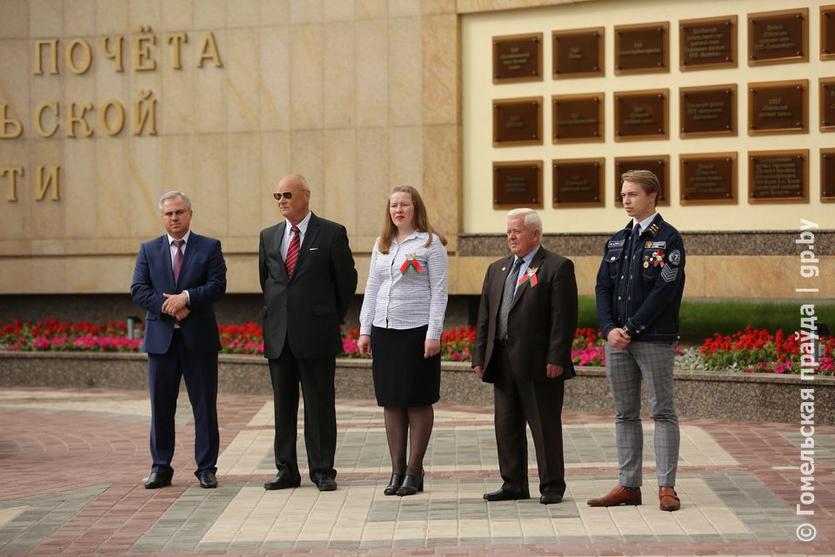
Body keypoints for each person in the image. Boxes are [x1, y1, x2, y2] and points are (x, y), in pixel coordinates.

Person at [589, 169, 686, 512]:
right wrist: (608, 328)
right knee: (624, 414)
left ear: (652, 196)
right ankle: (629, 485)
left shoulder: (669, 239)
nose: (625, 200)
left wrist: (631, 327)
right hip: (617, 341)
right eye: (623, 194)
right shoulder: (617, 239)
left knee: (662, 412)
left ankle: (666, 488)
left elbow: (665, 290)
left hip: (653, 339)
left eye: (632, 194)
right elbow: (602, 287)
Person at [472, 208, 578, 505]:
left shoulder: (557, 267)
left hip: (539, 364)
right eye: (508, 231)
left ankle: (552, 485)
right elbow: (485, 317)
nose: (511, 236)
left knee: (544, 426)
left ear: (535, 234)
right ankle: (513, 483)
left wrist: (557, 357)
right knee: (506, 425)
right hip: (502, 360)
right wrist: (479, 355)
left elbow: (564, 319)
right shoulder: (497, 269)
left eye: (517, 231)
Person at [259, 174, 357, 492]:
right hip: (280, 336)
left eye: (287, 194)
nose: (282, 200)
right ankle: (286, 469)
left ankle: (322, 470)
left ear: (306, 196)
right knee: (283, 406)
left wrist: (329, 316)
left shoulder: (331, 233)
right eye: (277, 196)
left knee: (319, 405)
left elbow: (346, 282)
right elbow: (269, 282)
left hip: (317, 334)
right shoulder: (269, 236)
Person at [130, 191, 227, 490]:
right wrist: (167, 304)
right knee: (161, 408)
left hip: (199, 341)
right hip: (161, 343)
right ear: (162, 217)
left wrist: (186, 298)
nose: (174, 218)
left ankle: (206, 468)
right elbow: (138, 288)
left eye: (180, 212)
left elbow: (217, 285)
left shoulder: (209, 247)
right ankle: (161, 467)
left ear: (190, 214)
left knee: (204, 408)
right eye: (169, 214)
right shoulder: (149, 250)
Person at [357, 186, 449, 497]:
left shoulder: (429, 244)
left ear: (415, 208)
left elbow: (439, 291)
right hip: (384, 330)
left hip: (417, 331)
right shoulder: (382, 244)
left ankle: (414, 470)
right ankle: (396, 469)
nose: (399, 210)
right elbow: (372, 286)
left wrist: (433, 333)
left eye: (404, 205)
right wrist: (364, 329)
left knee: (417, 400)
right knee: (392, 400)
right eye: (394, 205)